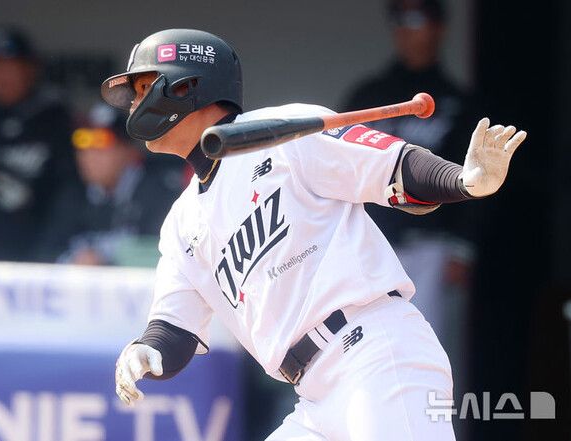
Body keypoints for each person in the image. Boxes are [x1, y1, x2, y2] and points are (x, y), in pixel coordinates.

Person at [104, 29, 526, 441]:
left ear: (186, 87)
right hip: (312, 396)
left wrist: (463, 180)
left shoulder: (279, 132)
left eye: (143, 87)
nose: (135, 103)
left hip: (374, 355)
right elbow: (174, 329)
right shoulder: (181, 222)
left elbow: (394, 166)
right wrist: (146, 349)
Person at [341, 0, 481, 370]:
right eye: (399, 19)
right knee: (363, 350)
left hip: (430, 247)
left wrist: (462, 249)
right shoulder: (368, 96)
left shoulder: (459, 102)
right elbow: (337, 166)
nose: (406, 28)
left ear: (439, 27)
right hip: (370, 242)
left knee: (425, 350)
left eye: (417, 18)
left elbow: (475, 180)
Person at [35, 103, 186, 266]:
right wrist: (73, 260)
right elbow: (44, 254)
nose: (90, 154)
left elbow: (170, 255)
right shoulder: (71, 195)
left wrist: (106, 260)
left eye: (101, 142)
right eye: (83, 142)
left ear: (130, 151)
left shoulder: (159, 193)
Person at [0, 26, 79, 261]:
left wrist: (48, 251)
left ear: (30, 69)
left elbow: (68, 193)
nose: (1, 76)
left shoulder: (55, 119)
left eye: (9, 66)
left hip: (39, 252)